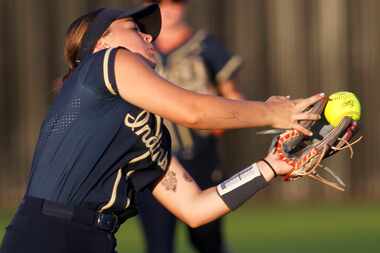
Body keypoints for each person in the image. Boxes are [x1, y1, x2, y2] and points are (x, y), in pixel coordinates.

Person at [0, 3, 324, 253]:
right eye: (132, 28)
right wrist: (271, 112)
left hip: (96, 239)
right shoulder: (106, 62)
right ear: (99, 44)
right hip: (47, 234)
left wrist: (269, 167)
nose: (148, 35)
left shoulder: (148, 135)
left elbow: (196, 208)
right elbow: (192, 112)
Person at [137, 1, 243, 253]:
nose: (169, 10)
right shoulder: (135, 49)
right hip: (150, 157)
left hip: (198, 155)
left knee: (207, 239)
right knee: (159, 243)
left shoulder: (205, 46)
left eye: (175, 2)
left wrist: (225, 115)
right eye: (160, 4)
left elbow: (232, 96)